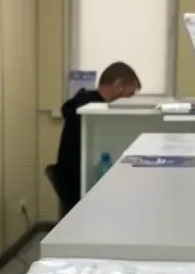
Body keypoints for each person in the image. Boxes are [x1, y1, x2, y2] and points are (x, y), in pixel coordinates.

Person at [53, 62, 142, 213]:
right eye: (129, 95)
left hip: (77, 185)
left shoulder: (86, 104)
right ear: (118, 86)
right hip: (79, 190)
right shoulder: (90, 113)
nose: (128, 100)